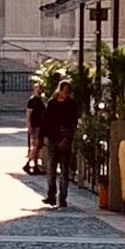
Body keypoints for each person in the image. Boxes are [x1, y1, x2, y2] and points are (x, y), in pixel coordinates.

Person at [41, 78, 80, 208]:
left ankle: (63, 197)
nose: (66, 94)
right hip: (53, 138)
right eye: (64, 91)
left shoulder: (72, 104)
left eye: (68, 92)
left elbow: (73, 123)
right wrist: (41, 138)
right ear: (60, 90)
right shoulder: (52, 103)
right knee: (51, 168)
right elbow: (46, 121)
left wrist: (67, 139)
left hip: (65, 138)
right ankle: (51, 196)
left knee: (64, 170)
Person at [24, 82, 48, 176]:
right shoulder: (32, 100)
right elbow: (29, 114)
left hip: (40, 125)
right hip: (35, 125)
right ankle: (28, 163)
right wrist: (29, 126)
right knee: (36, 146)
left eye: (40, 88)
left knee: (38, 147)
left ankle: (35, 165)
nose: (39, 90)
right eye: (37, 88)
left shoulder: (41, 100)